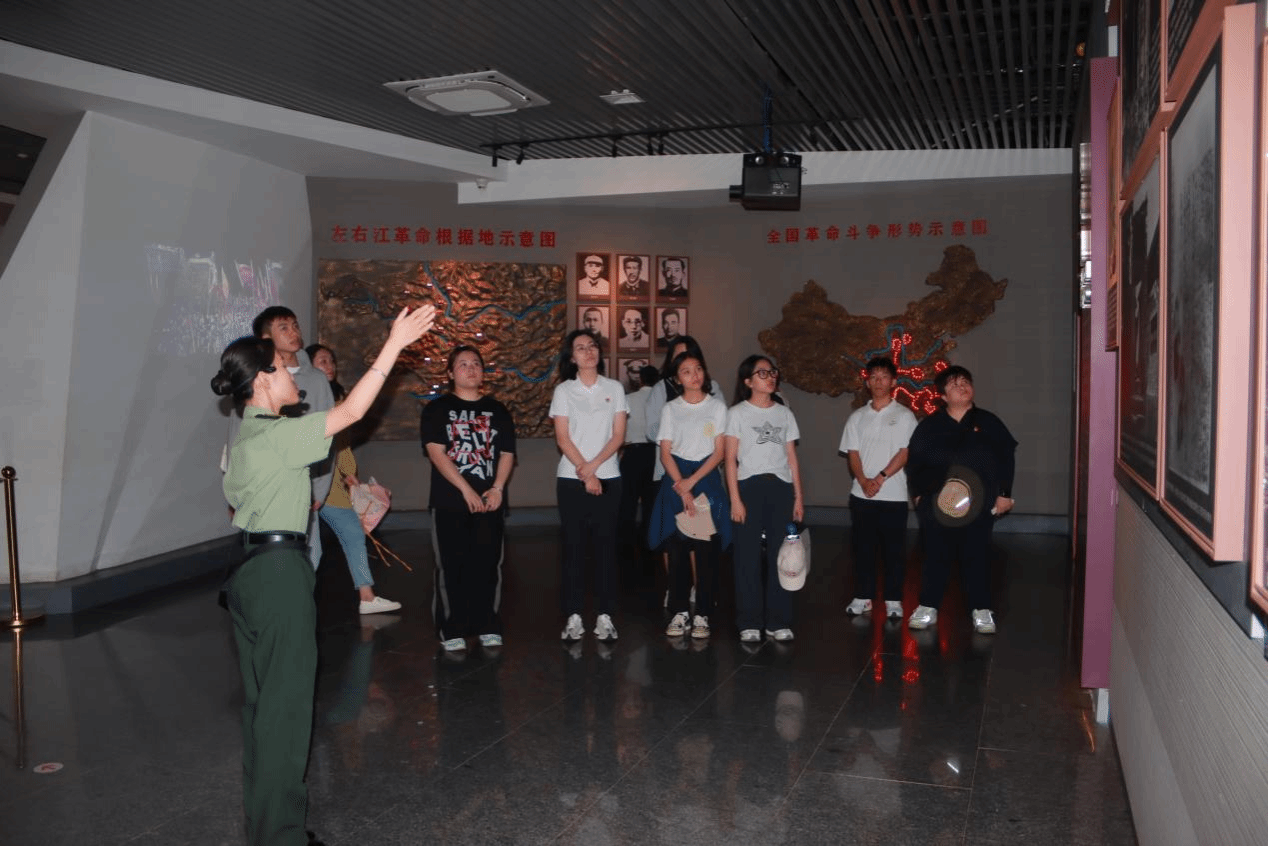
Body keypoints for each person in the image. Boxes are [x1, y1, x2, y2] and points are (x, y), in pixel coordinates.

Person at [212, 303, 434, 846]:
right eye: (284, 368)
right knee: (286, 712)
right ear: (262, 381)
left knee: (263, 710)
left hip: (248, 571)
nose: (296, 373)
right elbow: (352, 410)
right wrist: (394, 346)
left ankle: (265, 828)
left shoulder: (245, 438)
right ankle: (283, 836)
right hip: (279, 574)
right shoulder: (277, 436)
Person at [905, 365, 1017, 634]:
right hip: (936, 503)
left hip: (980, 502)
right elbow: (915, 463)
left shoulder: (989, 422)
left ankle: (981, 610)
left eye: (965, 382)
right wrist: (918, 496)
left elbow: (1006, 458)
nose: (962, 387)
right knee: (935, 555)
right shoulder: (929, 426)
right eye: (954, 384)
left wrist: (1004, 494)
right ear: (943, 395)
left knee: (976, 555)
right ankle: (928, 606)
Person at [420, 345, 517, 652]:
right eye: (463, 364)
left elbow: (507, 453)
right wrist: (465, 489)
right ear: (450, 373)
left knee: (488, 565)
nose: (471, 368)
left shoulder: (498, 410)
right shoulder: (436, 409)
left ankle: (488, 624)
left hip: (490, 502)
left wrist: (497, 488)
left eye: (476, 363)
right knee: (451, 566)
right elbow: (437, 453)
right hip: (450, 502)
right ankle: (452, 627)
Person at [225, 306, 335, 572]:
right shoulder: (254, 383)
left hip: (304, 487)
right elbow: (238, 439)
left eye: (295, 325)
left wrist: (319, 489)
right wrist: (235, 495)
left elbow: (332, 432)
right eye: (283, 328)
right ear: (265, 339)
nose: (293, 332)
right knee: (273, 565)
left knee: (309, 558)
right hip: (268, 491)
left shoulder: (316, 380)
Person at [305, 343, 401, 615]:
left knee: (354, 533)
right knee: (313, 550)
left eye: (331, 360)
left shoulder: (340, 400)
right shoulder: (304, 398)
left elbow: (342, 444)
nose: (329, 366)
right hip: (308, 484)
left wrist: (349, 473)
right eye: (322, 361)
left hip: (332, 483)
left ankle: (367, 597)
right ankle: (299, 601)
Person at [550, 329, 628, 642]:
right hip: (571, 479)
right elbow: (562, 437)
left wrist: (594, 468)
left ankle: (605, 615)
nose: (588, 351)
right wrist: (586, 473)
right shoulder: (564, 391)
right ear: (572, 357)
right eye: (581, 348)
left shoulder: (614, 388)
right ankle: (574, 616)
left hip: (608, 477)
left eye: (592, 346)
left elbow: (618, 435)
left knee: (606, 548)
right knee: (574, 548)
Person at [648, 349, 731, 640]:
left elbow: (719, 451)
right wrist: (681, 485)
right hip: (676, 479)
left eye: (698, 368)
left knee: (706, 550)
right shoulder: (671, 409)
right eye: (686, 371)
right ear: (677, 379)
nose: (694, 375)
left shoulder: (717, 407)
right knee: (677, 549)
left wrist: (692, 482)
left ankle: (703, 613)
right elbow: (665, 452)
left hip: (705, 479)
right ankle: (680, 610)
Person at [724, 355, 804, 642]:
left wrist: (798, 497)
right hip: (748, 488)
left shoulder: (784, 413)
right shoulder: (736, 413)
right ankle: (749, 621)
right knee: (746, 557)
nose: (770, 377)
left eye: (772, 372)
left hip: (780, 488)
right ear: (748, 381)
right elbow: (729, 459)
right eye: (762, 373)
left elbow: (792, 458)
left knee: (782, 556)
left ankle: (778, 621)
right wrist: (735, 499)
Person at [840, 356, 918, 620]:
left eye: (884, 377)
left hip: (893, 495)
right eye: (873, 377)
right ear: (867, 382)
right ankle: (864, 596)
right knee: (863, 549)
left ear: (893, 381)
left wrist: (881, 477)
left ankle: (894, 600)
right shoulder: (857, 417)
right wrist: (864, 481)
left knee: (894, 551)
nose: (878, 382)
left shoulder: (905, 416)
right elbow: (852, 452)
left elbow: (905, 451)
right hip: (861, 495)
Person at [618, 365, 660, 548]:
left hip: (632, 452)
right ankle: (650, 540)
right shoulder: (663, 402)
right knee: (651, 500)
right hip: (655, 453)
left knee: (628, 500)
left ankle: (625, 541)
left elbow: (620, 430)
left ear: (640, 380)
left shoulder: (628, 399)